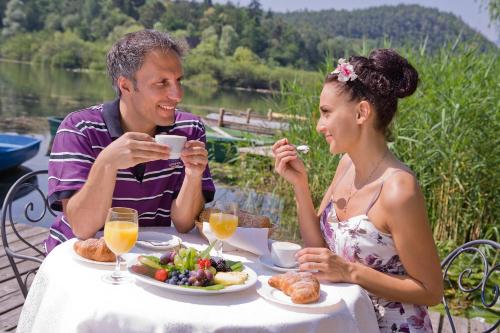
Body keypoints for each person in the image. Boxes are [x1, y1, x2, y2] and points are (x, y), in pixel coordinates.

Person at [272, 49, 443, 332]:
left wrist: (349, 271)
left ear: (361, 112)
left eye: (326, 113)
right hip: (345, 322)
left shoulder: (399, 189)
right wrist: (300, 186)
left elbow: (431, 290)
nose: (319, 126)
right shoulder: (346, 164)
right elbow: (318, 251)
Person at [45, 30, 215, 253]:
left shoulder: (189, 129)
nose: (177, 94)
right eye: (162, 83)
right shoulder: (80, 128)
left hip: (146, 256)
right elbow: (82, 227)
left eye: (178, 80)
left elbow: (184, 224)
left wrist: (194, 174)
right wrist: (107, 163)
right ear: (125, 86)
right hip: (79, 257)